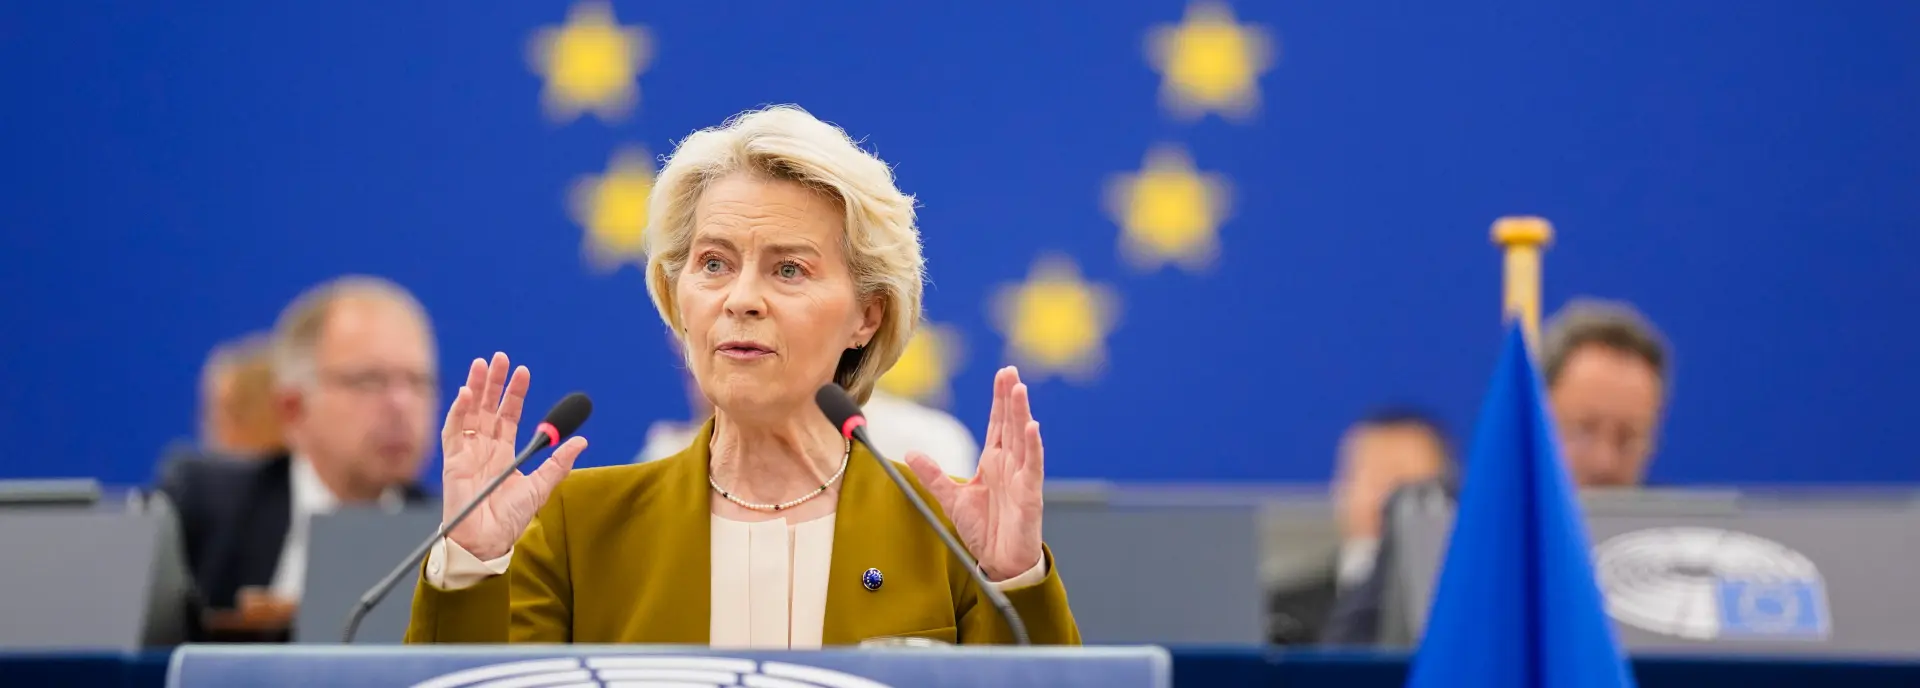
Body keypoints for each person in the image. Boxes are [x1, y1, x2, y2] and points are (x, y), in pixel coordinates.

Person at [406, 105, 1079, 647]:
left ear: (867, 316)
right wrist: (471, 565)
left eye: (788, 269)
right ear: (678, 300)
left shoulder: (943, 533)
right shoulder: (578, 527)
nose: (742, 299)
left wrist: (1012, 581)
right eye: (714, 264)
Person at [1318, 297, 1671, 645]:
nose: (1603, 461)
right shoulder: (1436, 519)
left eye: (1628, 438)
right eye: (1584, 429)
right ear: (1534, 417)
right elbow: (1345, 660)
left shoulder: (1672, 540)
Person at [160, 276, 439, 641]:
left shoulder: (449, 535)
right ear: (292, 408)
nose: (401, 406)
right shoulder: (206, 509)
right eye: (370, 381)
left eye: (418, 382)